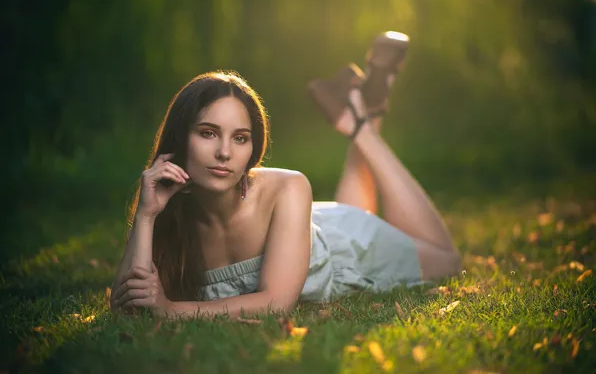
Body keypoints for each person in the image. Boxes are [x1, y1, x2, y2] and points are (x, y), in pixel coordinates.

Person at [109, 32, 462, 320]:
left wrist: (173, 311)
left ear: (253, 147)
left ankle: (359, 126)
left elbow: (276, 302)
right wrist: (145, 214)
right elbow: (127, 308)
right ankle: (367, 102)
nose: (225, 153)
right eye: (208, 133)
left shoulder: (289, 185)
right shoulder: (171, 210)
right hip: (312, 229)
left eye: (240, 138)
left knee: (448, 262)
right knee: (352, 209)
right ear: (180, 138)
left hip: (350, 248)